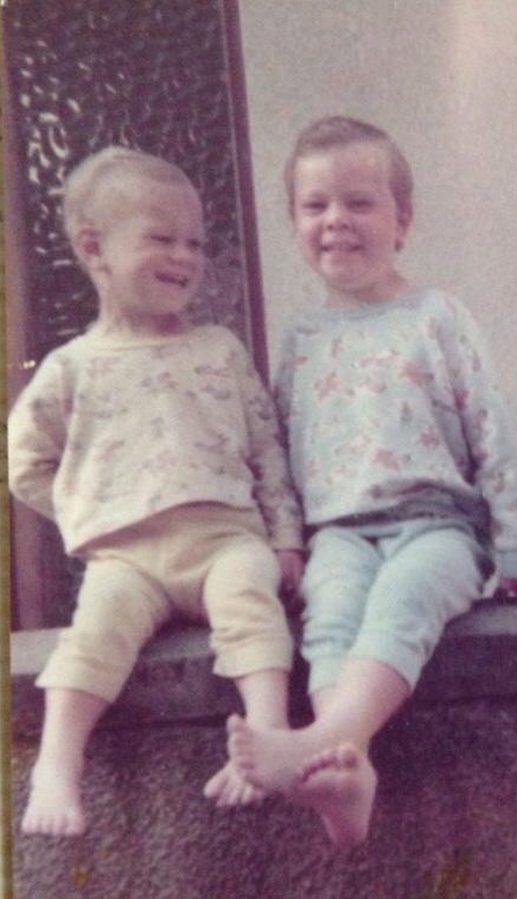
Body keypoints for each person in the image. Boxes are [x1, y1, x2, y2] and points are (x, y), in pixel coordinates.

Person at [227, 116, 517, 847]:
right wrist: (288, 545)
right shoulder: (301, 339)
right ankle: (346, 777)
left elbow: (492, 433)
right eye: (316, 205)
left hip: (438, 525)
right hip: (340, 533)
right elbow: (282, 456)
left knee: (405, 598)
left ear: (401, 220)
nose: (336, 220)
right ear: (294, 223)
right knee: (331, 614)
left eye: (359, 201)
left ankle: (322, 738)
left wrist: (515, 558)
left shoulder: (436, 317)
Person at [8, 146, 304, 837]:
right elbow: (24, 463)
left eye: (195, 242)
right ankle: (58, 762)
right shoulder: (70, 368)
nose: (185, 255)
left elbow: (267, 449)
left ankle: (268, 736)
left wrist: (285, 534)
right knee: (91, 636)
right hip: (127, 561)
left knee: (251, 603)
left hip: (225, 539)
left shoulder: (219, 349)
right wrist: (89, 510)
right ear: (93, 248)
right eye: (161, 238)